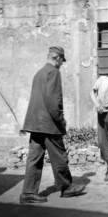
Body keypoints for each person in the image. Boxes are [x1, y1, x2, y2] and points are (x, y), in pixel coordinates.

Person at [19, 46, 85, 204]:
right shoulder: (54, 72)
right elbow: (54, 101)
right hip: (48, 123)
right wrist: (61, 121)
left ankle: (28, 192)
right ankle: (67, 187)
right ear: (57, 58)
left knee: (34, 158)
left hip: (35, 123)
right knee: (59, 156)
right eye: (62, 60)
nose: (62, 63)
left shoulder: (39, 73)